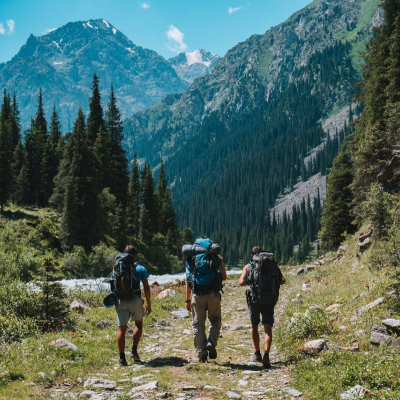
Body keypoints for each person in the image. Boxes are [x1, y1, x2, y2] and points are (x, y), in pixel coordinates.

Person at [238, 246, 286, 368]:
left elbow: (241, 282)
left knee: (254, 325)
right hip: (269, 299)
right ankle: (266, 355)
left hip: (254, 299)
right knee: (267, 328)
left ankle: (257, 353)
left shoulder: (249, 266)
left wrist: (252, 281)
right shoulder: (271, 265)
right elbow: (283, 280)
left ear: (252, 256)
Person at [185, 237, 227, 362]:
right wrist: (221, 263)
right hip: (213, 294)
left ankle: (201, 353)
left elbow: (188, 280)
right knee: (215, 320)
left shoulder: (192, 258)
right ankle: (211, 342)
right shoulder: (214, 257)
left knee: (198, 324)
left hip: (197, 295)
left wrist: (187, 300)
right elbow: (224, 277)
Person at [114, 245, 151, 366]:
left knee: (121, 329)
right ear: (134, 256)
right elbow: (146, 287)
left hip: (120, 300)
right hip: (135, 299)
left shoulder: (117, 267)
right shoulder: (140, 268)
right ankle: (134, 350)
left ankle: (121, 359)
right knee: (138, 324)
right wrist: (149, 303)